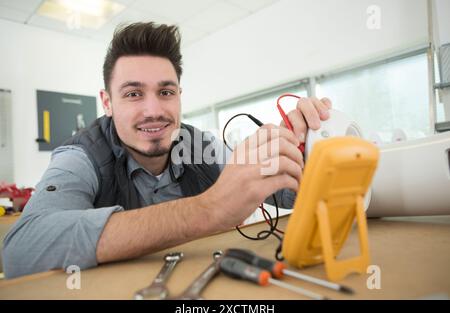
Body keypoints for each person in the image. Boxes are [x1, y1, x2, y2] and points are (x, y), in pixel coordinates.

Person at [2, 22, 331, 279]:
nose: (153, 110)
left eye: (165, 92)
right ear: (107, 103)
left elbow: (290, 195)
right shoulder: (81, 155)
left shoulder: (201, 146)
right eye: (133, 94)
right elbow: (22, 251)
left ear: (179, 95)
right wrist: (208, 210)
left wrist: (308, 151)